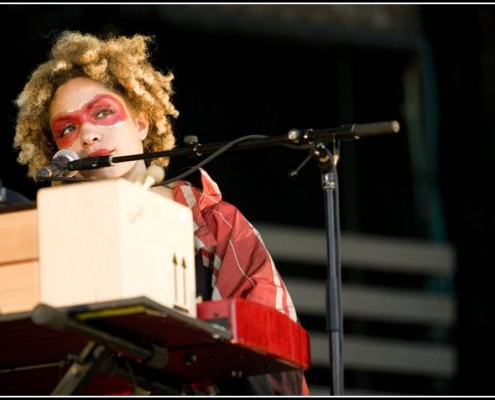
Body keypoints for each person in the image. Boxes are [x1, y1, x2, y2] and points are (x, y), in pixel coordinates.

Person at [13, 30, 309, 396]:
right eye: (67, 128)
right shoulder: (39, 237)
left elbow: (272, 357)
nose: (86, 134)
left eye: (103, 112)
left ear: (142, 122)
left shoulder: (213, 222)